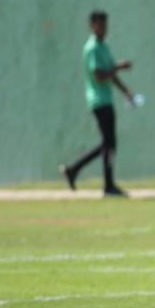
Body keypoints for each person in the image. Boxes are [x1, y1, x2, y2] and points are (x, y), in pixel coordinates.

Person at [60, 10, 137, 196]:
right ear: (92, 26)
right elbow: (100, 76)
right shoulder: (92, 48)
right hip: (98, 100)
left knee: (108, 143)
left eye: (105, 26)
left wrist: (126, 91)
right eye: (99, 26)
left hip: (107, 100)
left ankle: (76, 171)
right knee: (108, 143)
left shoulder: (104, 47)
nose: (103, 30)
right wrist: (118, 67)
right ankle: (105, 184)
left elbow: (110, 74)